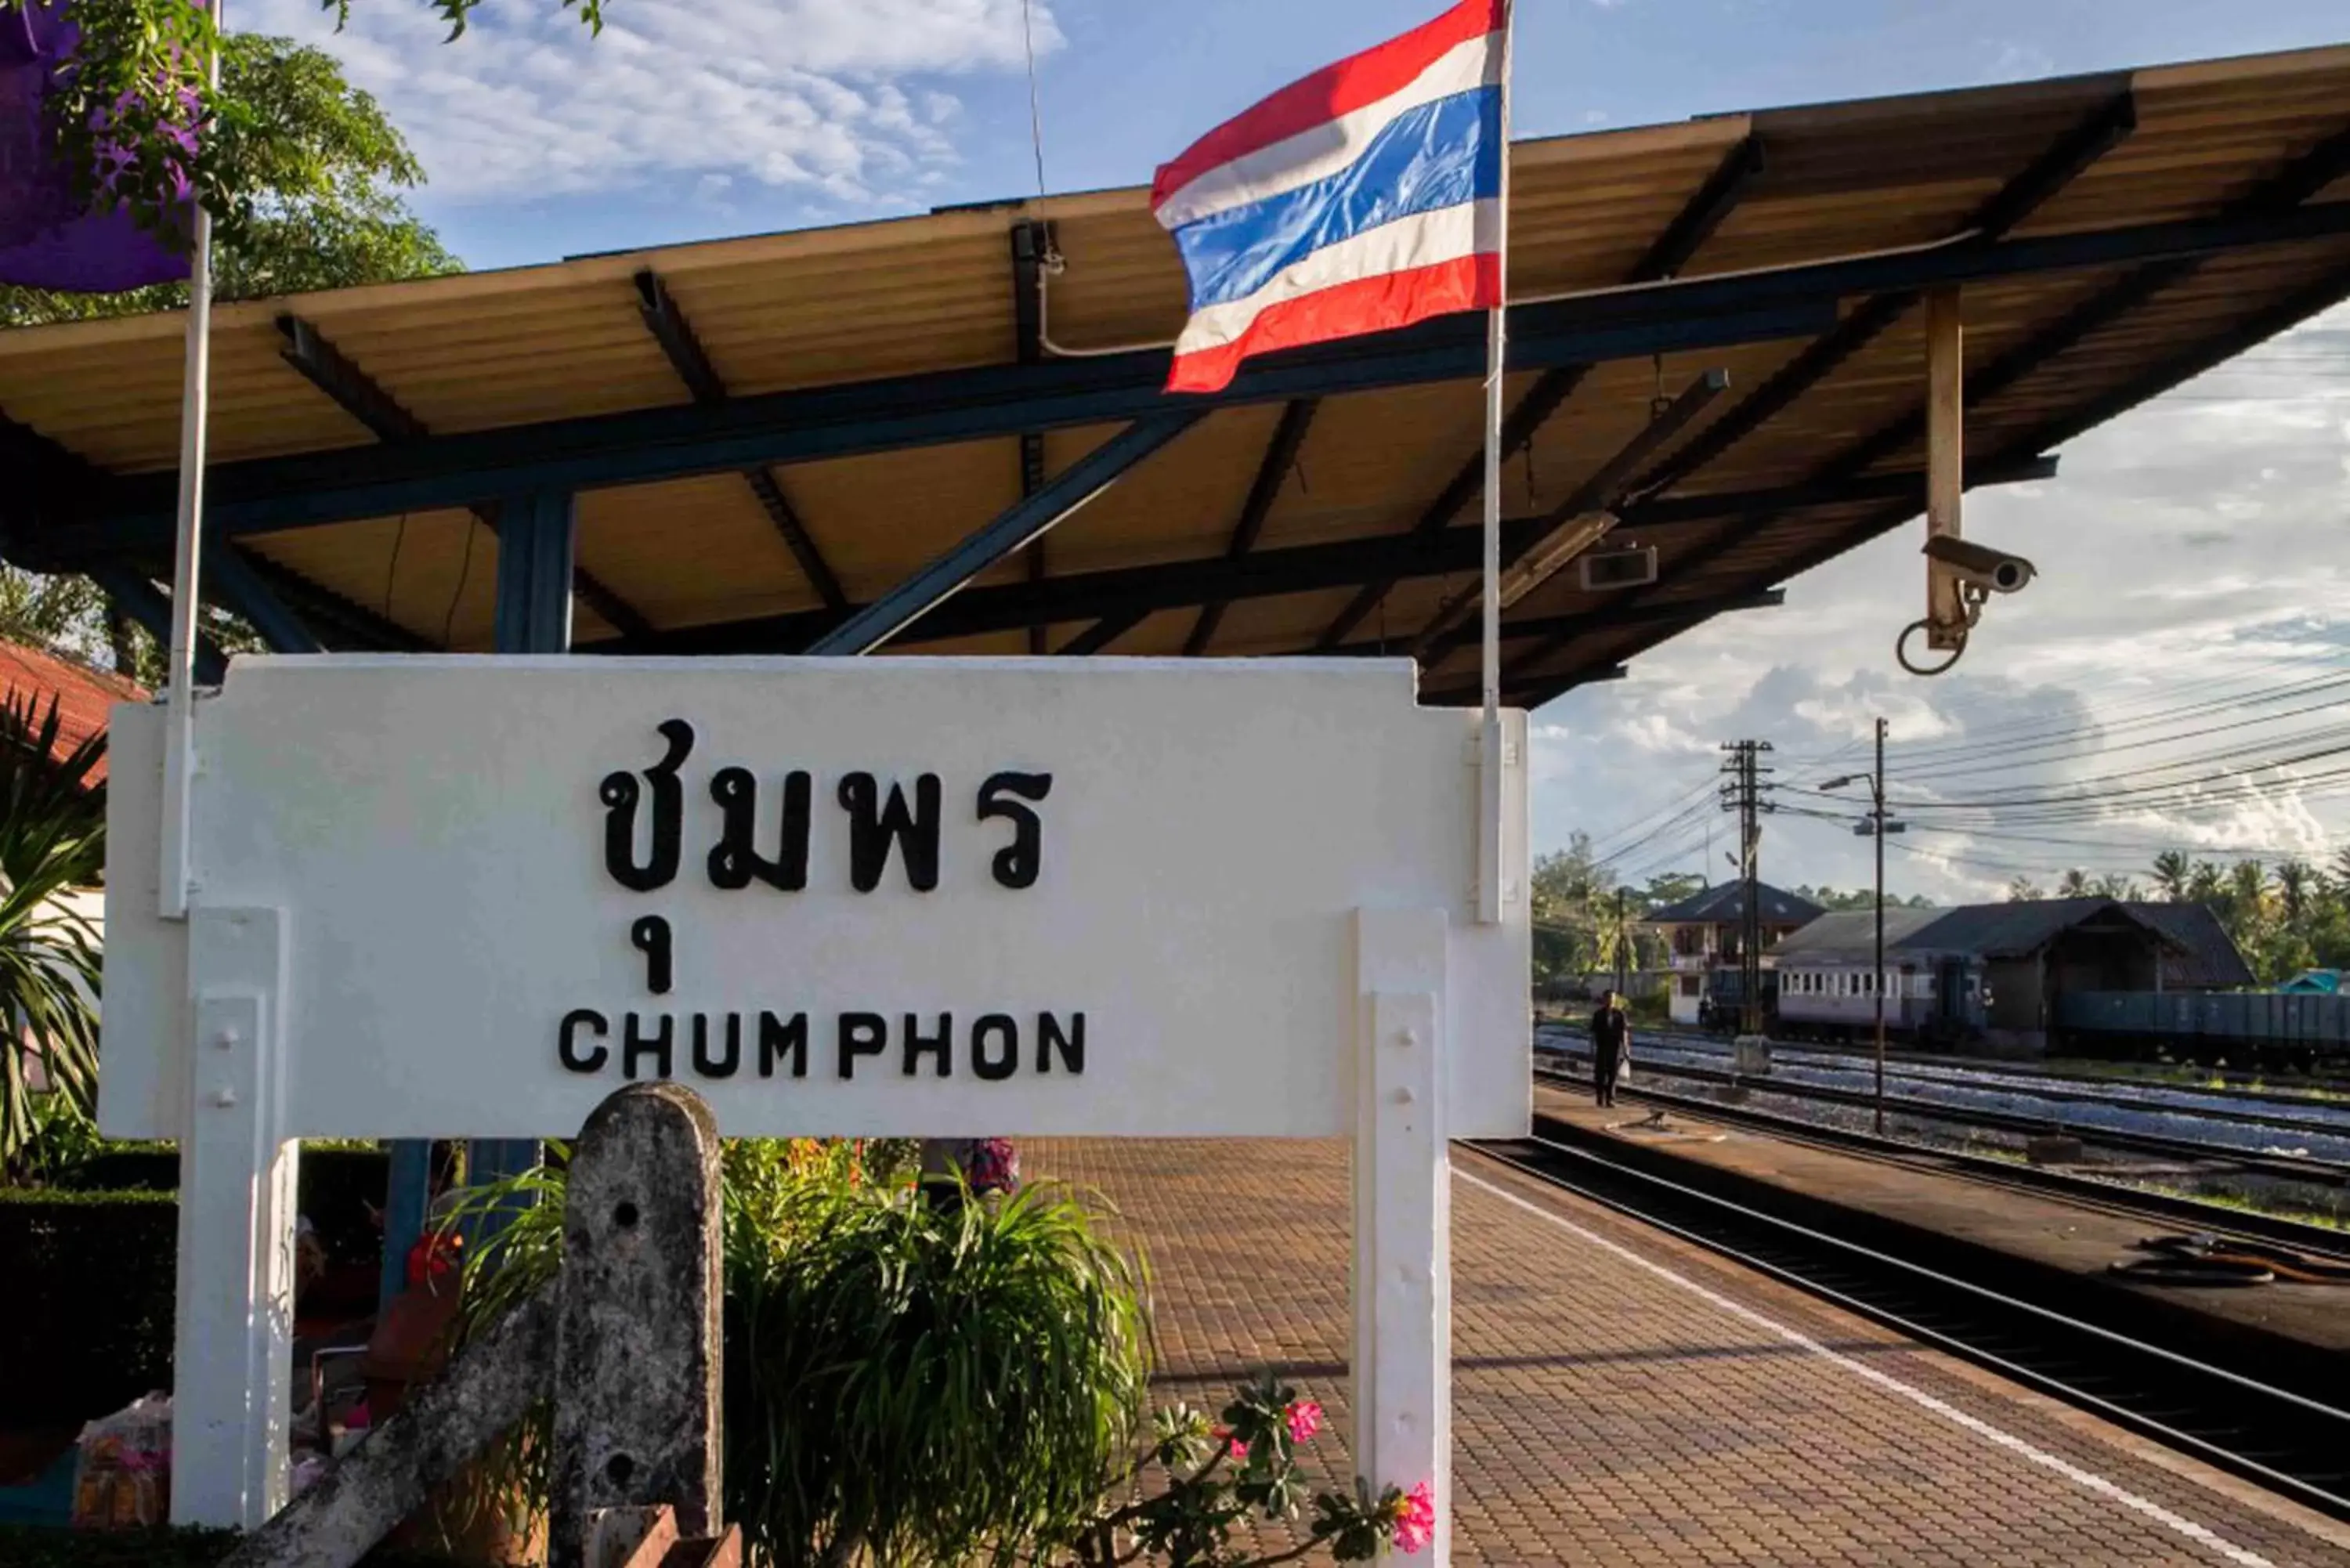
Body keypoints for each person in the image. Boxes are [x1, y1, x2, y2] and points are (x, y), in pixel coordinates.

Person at [1589, 992, 1631, 1109]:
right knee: (1600, 1074)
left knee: (1612, 1075)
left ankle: (1610, 1099)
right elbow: (1593, 1032)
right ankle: (1599, 1097)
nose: (1610, 1001)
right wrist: (1592, 1048)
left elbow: (1624, 1032)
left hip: (1615, 1048)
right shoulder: (1598, 1014)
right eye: (1608, 998)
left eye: (1612, 999)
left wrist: (1626, 1049)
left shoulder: (1620, 1014)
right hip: (1601, 1047)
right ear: (1604, 1000)